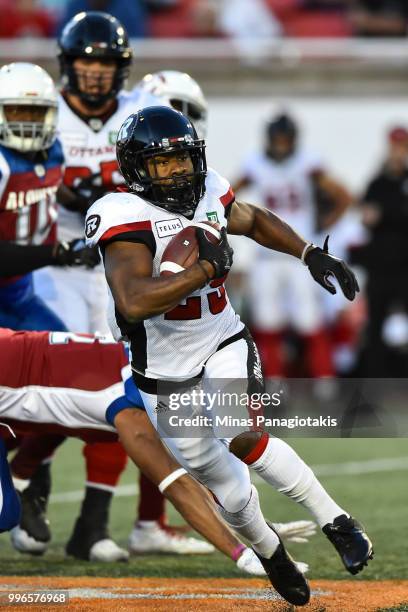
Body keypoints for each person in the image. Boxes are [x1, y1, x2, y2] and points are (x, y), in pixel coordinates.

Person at [85, 105, 373, 605]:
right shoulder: (121, 216)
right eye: (162, 163)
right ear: (136, 170)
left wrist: (309, 253)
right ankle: (271, 553)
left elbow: (252, 219)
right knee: (231, 492)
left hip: (221, 339)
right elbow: (133, 300)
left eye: (183, 159)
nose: (178, 172)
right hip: (161, 369)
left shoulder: (209, 189)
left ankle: (337, 521)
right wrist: (202, 272)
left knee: (240, 433)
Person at [19, 11, 209, 561]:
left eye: (106, 63)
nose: (96, 73)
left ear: (121, 68)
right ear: (68, 64)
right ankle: (30, 479)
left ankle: (93, 520)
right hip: (49, 272)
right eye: (86, 61)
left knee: (122, 391)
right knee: (51, 390)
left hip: (119, 275)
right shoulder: (42, 107)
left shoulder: (140, 115)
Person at [0, 327, 313, 580]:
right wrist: (244, 553)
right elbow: (180, 487)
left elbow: (200, 477)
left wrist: (256, 527)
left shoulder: (150, 363)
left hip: (12, 358)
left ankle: (20, 479)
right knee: (4, 512)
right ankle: (21, 481)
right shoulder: (131, 411)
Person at [232, 112, 353, 378]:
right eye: (278, 139)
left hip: (301, 255)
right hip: (267, 256)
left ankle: (325, 383)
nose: (281, 145)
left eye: (285, 140)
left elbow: (344, 196)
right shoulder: (255, 162)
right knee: (267, 324)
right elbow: (226, 196)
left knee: (311, 322)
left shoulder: (308, 162)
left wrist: (324, 225)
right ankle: (276, 385)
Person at [0, 61, 98, 333]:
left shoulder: (53, 150)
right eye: (18, 112)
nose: (28, 123)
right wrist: (58, 253)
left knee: (66, 361)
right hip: (16, 284)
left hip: (19, 293)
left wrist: (81, 202)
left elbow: (49, 183)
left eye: (36, 113)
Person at [352, 126, 408, 376]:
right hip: (381, 268)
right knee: (375, 329)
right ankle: (375, 385)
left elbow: (383, 213)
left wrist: (384, 213)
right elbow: (366, 214)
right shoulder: (378, 182)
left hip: (404, 266)